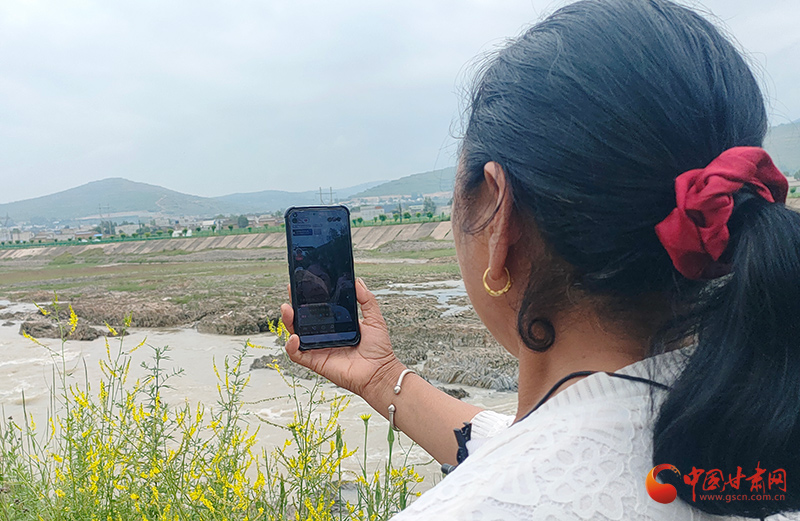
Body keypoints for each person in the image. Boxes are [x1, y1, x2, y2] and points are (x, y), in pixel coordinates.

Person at [280, 0, 800, 518]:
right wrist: (381, 376)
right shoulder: (752, 429)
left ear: (499, 218)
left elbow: (548, 461)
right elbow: (540, 443)